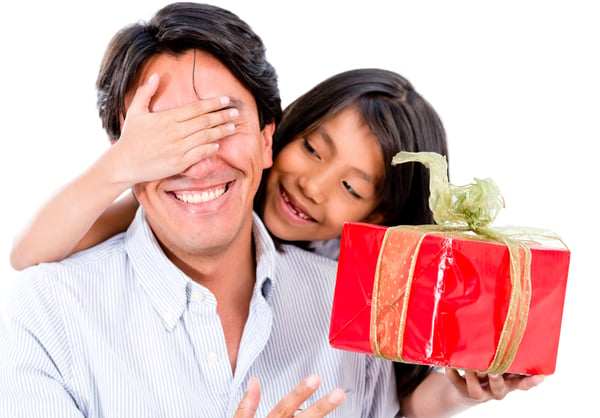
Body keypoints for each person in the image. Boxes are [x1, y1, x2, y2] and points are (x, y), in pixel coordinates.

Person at [0, 3, 403, 417]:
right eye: (165, 137)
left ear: (267, 139)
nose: (199, 162)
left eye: (222, 122)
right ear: (124, 157)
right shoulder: (47, 314)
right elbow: (25, 253)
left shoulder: (357, 302)